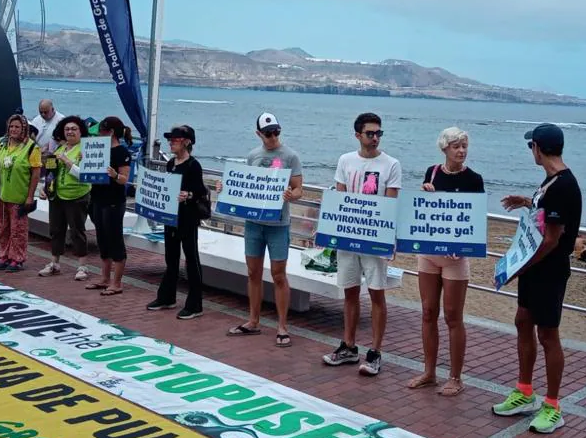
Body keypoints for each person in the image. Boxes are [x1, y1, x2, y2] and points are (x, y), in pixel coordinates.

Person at [496, 123, 582, 435]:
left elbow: (552, 239)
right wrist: (528, 202)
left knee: (548, 335)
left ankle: (553, 405)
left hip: (549, 271)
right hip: (534, 270)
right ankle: (524, 391)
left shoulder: (563, 186)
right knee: (522, 321)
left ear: (538, 148)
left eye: (530, 146)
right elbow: (546, 214)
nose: (530, 151)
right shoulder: (550, 182)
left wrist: (517, 266)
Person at [322, 112, 402, 376]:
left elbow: (390, 203)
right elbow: (341, 197)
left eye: (379, 133)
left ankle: (376, 352)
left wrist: (388, 239)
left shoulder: (391, 165)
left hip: (374, 240)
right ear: (358, 135)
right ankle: (348, 345)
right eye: (370, 133)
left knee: (377, 293)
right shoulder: (346, 160)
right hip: (348, 238)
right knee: (350, 292)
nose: (376, 137)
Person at [408, 126, 483, 397]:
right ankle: (429, 372)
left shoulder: (474, 179)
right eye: (456, 146)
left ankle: (455, 376)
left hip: (455, 258)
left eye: (464, 146)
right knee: (428, 312)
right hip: (428, 253)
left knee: (453, 317)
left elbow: (474, 219)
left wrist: (463, 247)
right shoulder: (433, 172)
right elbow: (426, 209)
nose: (461, 150)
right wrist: (425, 193)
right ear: (445, 149)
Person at [223, 112, 304, 347]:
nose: (273, 136)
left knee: (279, 274)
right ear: (259, 134)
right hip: (254, 224)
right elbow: (244, 185)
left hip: (278, 224)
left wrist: (292, 195)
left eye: (276, 131)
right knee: (253, 272)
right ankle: (253, 321)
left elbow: (299, 189)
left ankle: (282, 326)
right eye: (268, 133)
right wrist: (226, 186)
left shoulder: (291, 156)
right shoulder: (253, 156)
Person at [148, 125, 210, 319]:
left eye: (175, 140)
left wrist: (189, 195)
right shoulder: (171, 163)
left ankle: (195, 304)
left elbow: (201, 191)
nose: (171, 143)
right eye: (170, 140)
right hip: (171, 216)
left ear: (186, 142)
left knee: (191, 259)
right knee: (171, 257)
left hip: (188, 217)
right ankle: (167, 297)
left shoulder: (193, 165)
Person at [38, 115, 93, 282]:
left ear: (81, 131)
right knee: (56, 230)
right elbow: (51, 172)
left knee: (77, 230)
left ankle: (83, 265)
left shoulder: (86, 149)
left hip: (77, 195)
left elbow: (86, 175)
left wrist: (69, 162)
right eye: (67, 129)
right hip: (57, 195)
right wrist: (45, 187)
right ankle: (54, 263)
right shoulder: (60, 149)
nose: (70, 132)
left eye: (74, 129)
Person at [0, 114, 41, 272]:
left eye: (17, 127)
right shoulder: (0, 143)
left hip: (19, 195)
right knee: (2, 228)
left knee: (18, 230)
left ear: (24, 128)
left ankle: (17, 258)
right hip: (0, 194)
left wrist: (30, 196)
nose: (13, 129)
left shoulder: (32, 147)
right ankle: (4, 254)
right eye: (11, 126)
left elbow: (36, 174)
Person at [88, 117, 133, 294]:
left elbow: (124, 180)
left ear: (111, 132)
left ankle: (117, 282)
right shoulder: (99, 149)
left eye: (102, 131)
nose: (99, 134)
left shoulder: (121, 152)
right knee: (102, 239)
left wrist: (114, 175)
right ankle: (105, 277)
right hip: (98, 198)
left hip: (114, 201)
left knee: (114, 239)